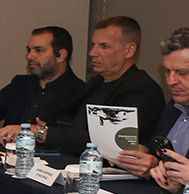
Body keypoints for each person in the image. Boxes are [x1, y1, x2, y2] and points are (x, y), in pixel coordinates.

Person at [39, 16, 164, 157]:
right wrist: (49, 127)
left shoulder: (142, 90)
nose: (92, 53)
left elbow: (107, 142)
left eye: (104, 46)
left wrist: (45, 133)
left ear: (129, 50)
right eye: (94, 45)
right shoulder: (97, 81)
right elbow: (78, 124)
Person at [0, 26, 87, 143]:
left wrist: (41, 131)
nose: (30, 56)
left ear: (61, 55)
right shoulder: (21, 84)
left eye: (39, 50)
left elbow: (74, 138)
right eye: (29, 50)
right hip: (6, 156)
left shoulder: (79, 93)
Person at [120, 27, 189, 181]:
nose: (171, 81)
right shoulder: (173, 108)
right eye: (167, 71)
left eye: (183, 73)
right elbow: (158, 155)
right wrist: (147, 159)